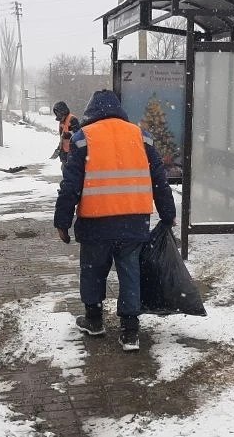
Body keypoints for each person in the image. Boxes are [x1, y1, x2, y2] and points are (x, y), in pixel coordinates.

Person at [54, 90, 176, 352]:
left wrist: (62, 222)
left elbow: (70, 185)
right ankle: (130, 331)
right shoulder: (141, 136)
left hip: (95, 223)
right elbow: (159, 180)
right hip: (134, 222)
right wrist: (168, 214)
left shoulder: (83, 138)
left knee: (93, 271)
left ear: (91, 112)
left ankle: (94, 320)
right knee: (130, 272)